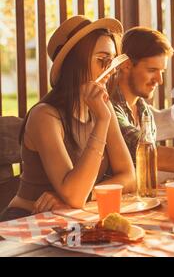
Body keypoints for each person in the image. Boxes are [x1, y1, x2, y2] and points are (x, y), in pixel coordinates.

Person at [0, 16, 136, 222]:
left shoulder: (102, 106)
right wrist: (101, 121)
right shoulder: (45, 116)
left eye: (112, 62)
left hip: (70, 217)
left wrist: (87, 194)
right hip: (27, 220)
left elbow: (129, 177)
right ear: (76, 62)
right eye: (102, 60)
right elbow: (74, 195)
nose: (110, 70)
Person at [110, 27, 174, 179]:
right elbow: (150, 152)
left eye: (161, 71)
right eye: (152, 70)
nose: (160, 80)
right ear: (126, 65)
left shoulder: (144, 111)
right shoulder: (108, 107)